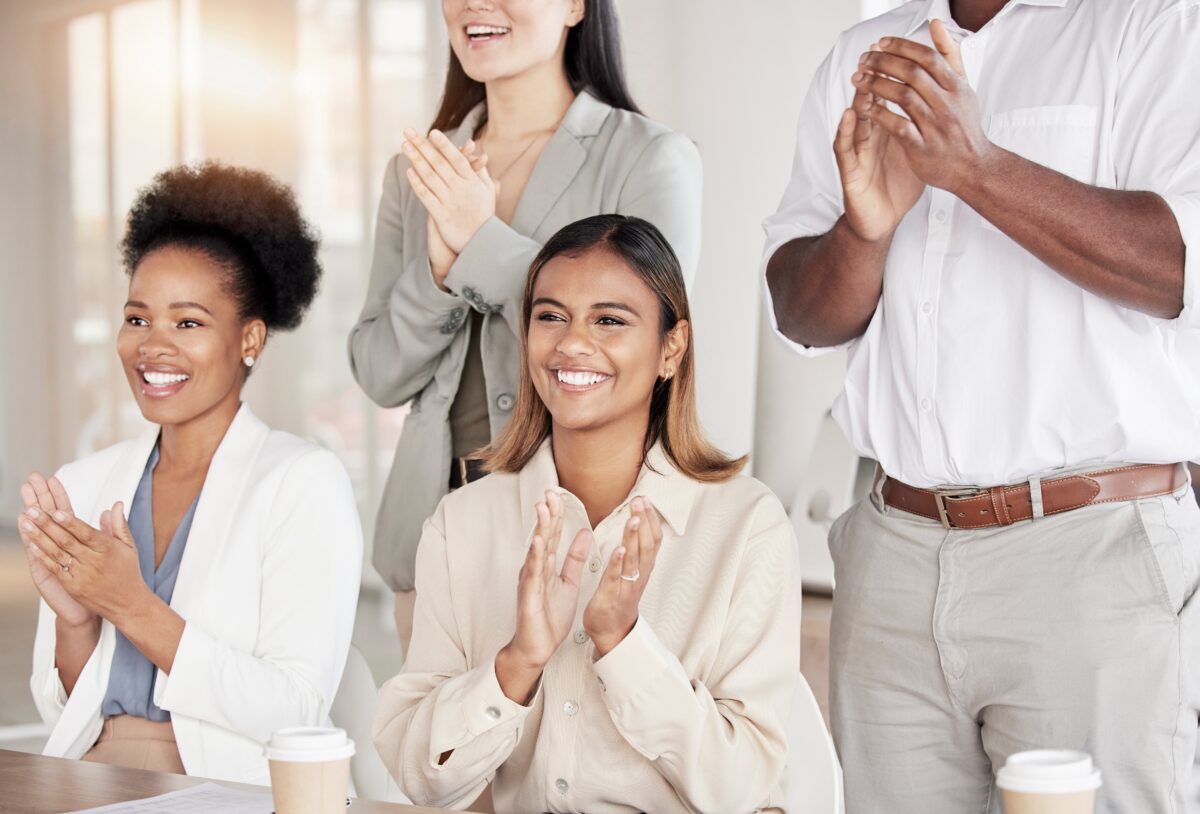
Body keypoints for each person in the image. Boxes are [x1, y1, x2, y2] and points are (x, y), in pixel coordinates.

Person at [763, 1, 1200, 811]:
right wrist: (866, 231)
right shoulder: (862, 55)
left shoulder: (1157, 26)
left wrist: (974, 168)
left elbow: (1179, 265)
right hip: (894, 555)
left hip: (1090, 556)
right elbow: (799, 311)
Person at [373, 215, 800, 813]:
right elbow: (422, 778)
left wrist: (623, 644)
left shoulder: (746, 525)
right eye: (550, 316)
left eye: (609, 320)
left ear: (670, 348)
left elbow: (743, 789)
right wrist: (517, 661)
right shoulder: (462, 523)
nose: (572, 343)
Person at [347, 0, 703, 653]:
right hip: (432, 549)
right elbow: (378, 370)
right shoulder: (418, 170)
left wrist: (479, 243)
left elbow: (642, 351)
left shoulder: (649, 160)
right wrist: (436, 271)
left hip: (585, 548)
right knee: (439, 752)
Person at [20, 163, 363, 785]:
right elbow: (63, 713)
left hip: (224, 786)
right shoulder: (85, 481)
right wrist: (77, 624)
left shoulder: (302, 481)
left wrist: (129, 605)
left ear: (250, 340)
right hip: (88, 778)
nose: (153, 345)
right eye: (136, 318)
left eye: (188, 323)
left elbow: (296, 707)